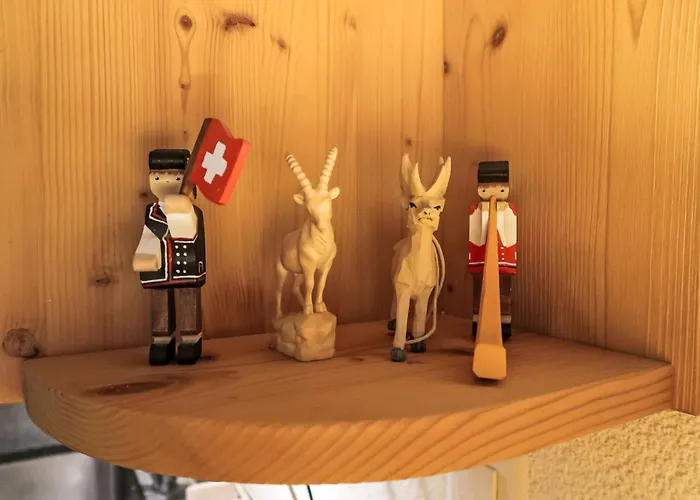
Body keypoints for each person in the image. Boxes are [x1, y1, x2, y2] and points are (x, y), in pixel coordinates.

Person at [132, 149, 206, 365]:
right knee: (161, 304)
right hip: (160, 268)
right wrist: (146, 253)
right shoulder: (152, 211)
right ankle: (162, 340)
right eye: (157, 178)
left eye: (175, 177)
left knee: (188, 302)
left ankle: (191, 340)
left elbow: (188, 234)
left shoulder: (191, 211)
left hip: (186, 264)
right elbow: (149, 234)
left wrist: (180, 211)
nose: (166, 182)